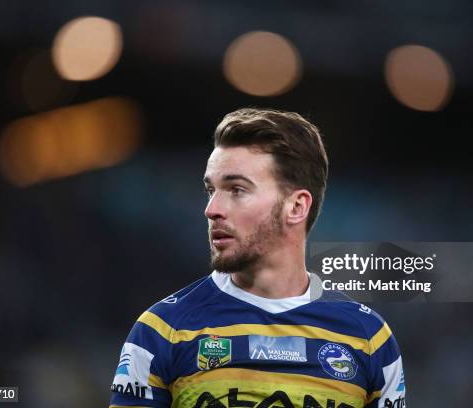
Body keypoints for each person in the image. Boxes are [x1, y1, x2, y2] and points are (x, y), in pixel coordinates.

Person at [109, 108, 406, 408]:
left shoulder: (369, 339)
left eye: (237, 190)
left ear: (296, 207)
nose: (211, 209)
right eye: (211, 189)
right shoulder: (162, 330)